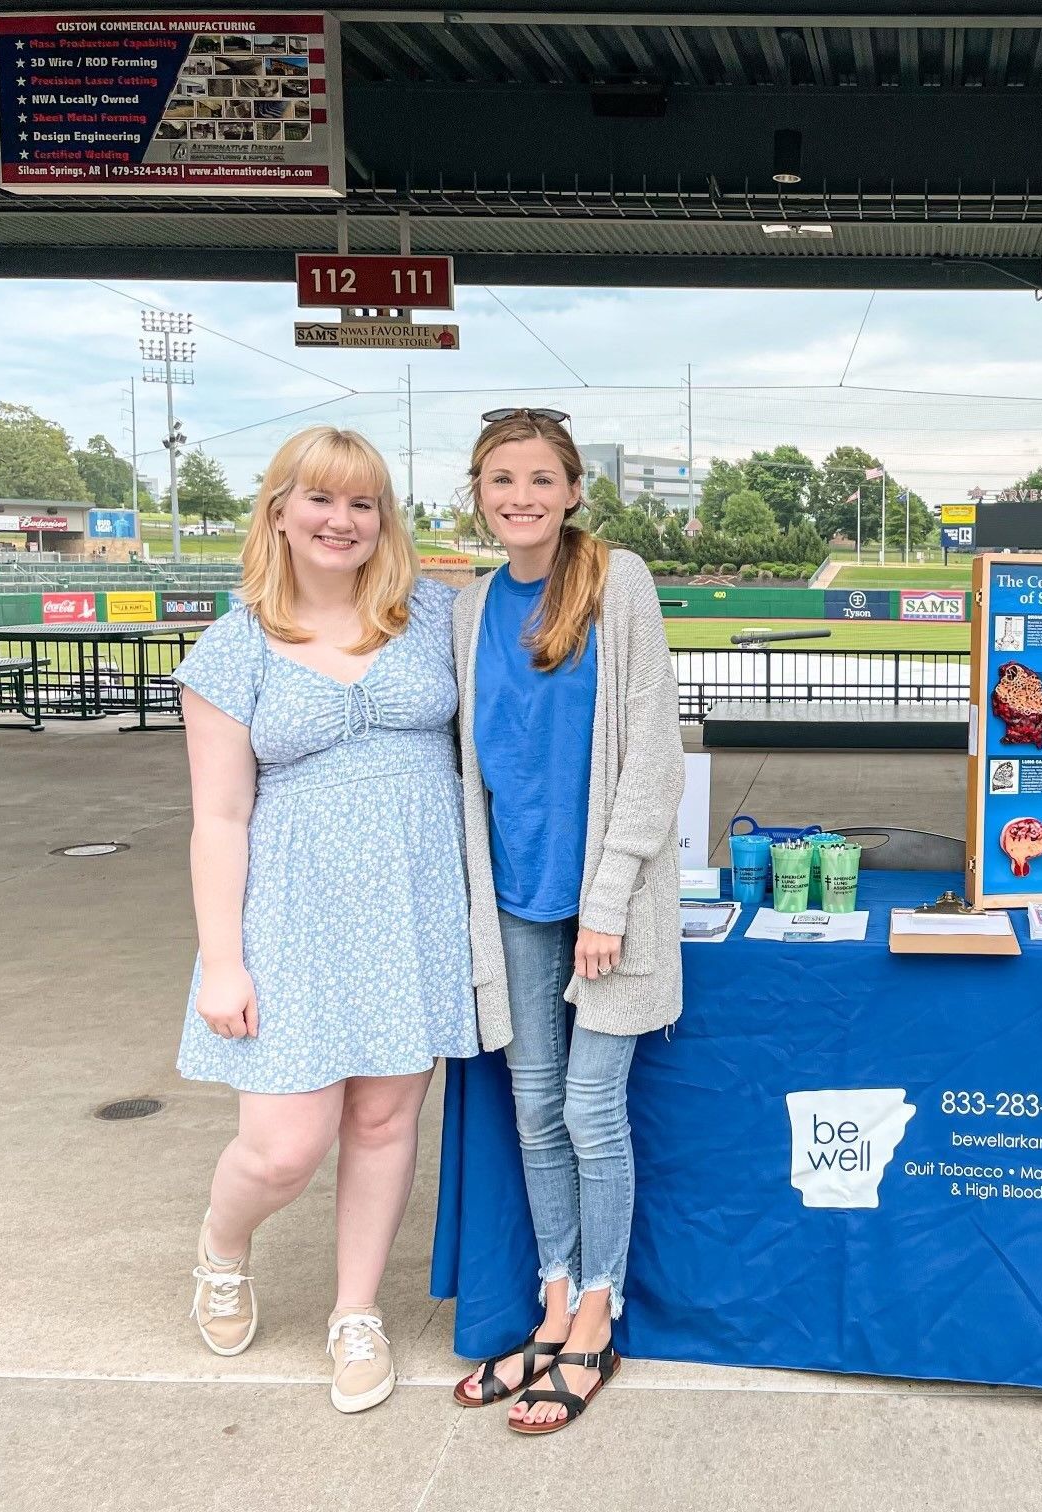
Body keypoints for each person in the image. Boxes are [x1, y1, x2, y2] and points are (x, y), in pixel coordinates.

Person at [173, 425, 475, 1415]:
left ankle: (357, 1314)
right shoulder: (235, 644)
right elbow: (217, 816)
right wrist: (224, 960)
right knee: (286, 1145)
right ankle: (224, 1245)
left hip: (414, 906)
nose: (342, 520)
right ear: (279, 512)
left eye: (363, 503)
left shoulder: (434, 616)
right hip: (294, 916)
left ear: (384, 520)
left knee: (386, 1119)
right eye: (321, 500)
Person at [440, 407, 684, 1436]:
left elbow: (653, 751)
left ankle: (598, 1313)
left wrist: (612, 895)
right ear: (479, 492)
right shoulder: (467, 607)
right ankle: (550, 1297)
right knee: (535, 1112)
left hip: (602, 908)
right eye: (502, 479)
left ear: (574, 489)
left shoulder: (614, 580)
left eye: (541, 478)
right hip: (512, 900)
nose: (521, 496)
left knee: (589, 1112)